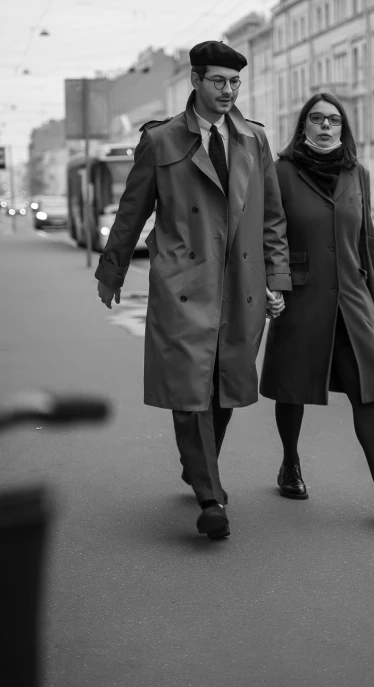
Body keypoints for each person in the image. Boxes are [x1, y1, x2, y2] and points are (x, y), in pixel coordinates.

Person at [96, 41, 291, 539]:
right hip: (183, 284)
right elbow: (131, 210)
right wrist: (112, 270)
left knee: (224, 386)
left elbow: (272, 220)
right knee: (190, 388)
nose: (228, 92)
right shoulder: (160, 141)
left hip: (241, 286)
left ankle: (200, 468)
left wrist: (278, 279)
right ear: (196, 81)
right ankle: (210, 497)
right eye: (219, 82)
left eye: (235, 83)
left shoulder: (254, 140)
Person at [260, 93, 374, 520]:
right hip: (300, 296)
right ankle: (290, 463)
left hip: (352, 299)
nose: (326, 126)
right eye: (317, 119)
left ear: (343, 128)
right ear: (304, 126)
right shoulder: (280, 173)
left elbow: (367, 239)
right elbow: (269, 233)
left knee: (366, 390)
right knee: (292, 387)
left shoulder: (357, 174)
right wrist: (272, 284)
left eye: (334, 120)